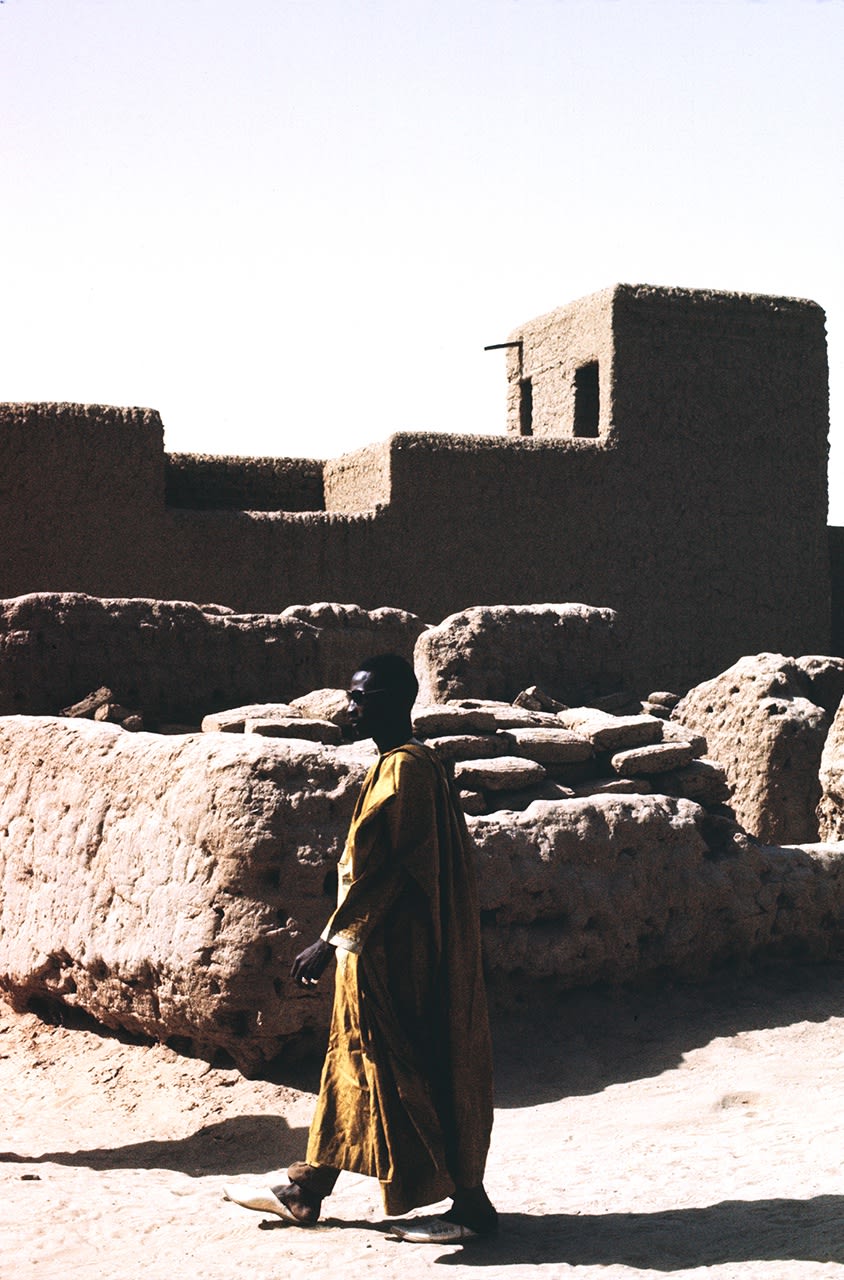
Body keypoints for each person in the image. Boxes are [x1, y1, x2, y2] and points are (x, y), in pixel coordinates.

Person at [224, 653, 496, 1243]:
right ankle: (306, 1189)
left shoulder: (409, 772)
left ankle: (469, 1206)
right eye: (351, 696)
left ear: (399, 702)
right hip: (374, 953)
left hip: (397, 955)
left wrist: (330, 939)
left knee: (405, 1065)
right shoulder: (394, 765)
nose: (351, 708)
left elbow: (395, 870)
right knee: (354, 1064)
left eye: (362, 698)